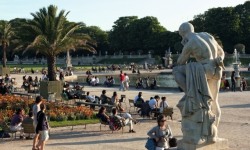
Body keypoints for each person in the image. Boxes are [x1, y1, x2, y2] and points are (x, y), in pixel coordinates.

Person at [172, 22, 225, 144]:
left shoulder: (190, 43)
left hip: (205, 69)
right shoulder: (207, 35)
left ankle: (192, 93)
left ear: (183, 33)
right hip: (217, 68)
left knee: (176, 71)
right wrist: (220, 58)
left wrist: (186, 49)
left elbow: (180, 62)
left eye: (181, 36)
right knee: (214, 101)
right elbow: (221, 51)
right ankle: (213, 133)